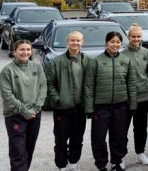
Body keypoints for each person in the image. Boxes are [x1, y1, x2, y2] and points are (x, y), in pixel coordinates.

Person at [85, 31, 137, 171]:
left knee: (118, 136)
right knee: (99, 138)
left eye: (118, 42)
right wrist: (89, 108)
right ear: (106, 43)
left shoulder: (125, 61)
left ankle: (116, 162)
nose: (115, 44)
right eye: (112, 41)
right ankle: (101, 164)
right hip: (101, 107)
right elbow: (89, 86)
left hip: (121, 106)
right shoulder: (96, 61)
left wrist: (132, 105)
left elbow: (131, 84)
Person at [46, 31, 90, 171]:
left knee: (77, 139)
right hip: (62, 108)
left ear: (82, 42)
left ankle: (73, 163)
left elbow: (92, 83)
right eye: (72, 40)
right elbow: (49, 83)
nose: (75, 43)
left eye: (78, 40)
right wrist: (57, 99)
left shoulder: (88, 60)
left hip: (80, 108)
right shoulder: (57, 62)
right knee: (60, 140)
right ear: (67, 42)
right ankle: (62, 165)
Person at [1, 40, 46, 171]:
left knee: (28, 149)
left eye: (28, 49)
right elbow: (7, 96)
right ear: (14, 52)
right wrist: (25, 111)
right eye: (22, 49)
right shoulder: (7, 71)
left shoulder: (37, 67)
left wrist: (36, 108)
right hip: (15, 116)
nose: (25, 52)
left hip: (34, 114)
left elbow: (43, 87)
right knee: (18, 152)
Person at [122, 25, 148, 165]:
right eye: (133, 36)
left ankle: (140, 153)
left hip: (143, 96)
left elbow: (147, 72)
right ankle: (120, 156)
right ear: (128, 37)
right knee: (122, 128)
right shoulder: (122, 54)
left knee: (141, 127)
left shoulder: (147, 53)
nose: (136, 39)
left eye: (138, 36)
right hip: (126, 97)